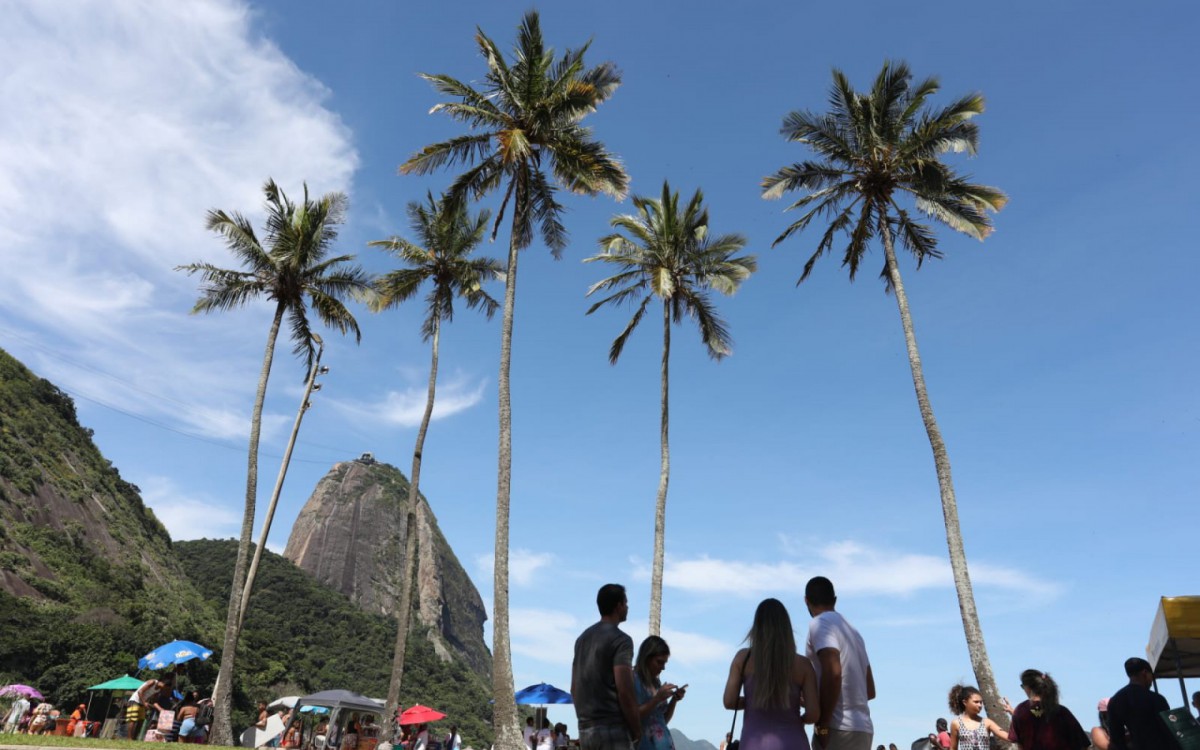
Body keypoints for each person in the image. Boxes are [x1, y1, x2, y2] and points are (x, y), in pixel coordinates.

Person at [723, 598, 820, 750]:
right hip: (794, 742)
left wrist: (753, 700)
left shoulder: (743, 658)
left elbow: (729, 701)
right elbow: (814, 713)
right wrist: (798, 719)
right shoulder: (803, 665)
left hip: (753, 743)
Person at [804, 577, 874, 750]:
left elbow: (834, 672)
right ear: (834, 600)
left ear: (806, 600)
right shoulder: (854, 632)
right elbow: (870, 690)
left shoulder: (820, 624)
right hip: (863, 728)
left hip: (837, 728)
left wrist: (823, 725)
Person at [571, 583, 640, 750]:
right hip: (612, 728)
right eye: (626, 603)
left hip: (586, 729)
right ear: (618, 606)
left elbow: (574, 687)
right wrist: (637, 729)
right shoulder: (621, 640)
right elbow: (625, 690)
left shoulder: (582, 639)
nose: (628, 607)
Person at [1006, 669, 1088, 750]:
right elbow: (1083, 743)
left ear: (1027, 687)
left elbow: (1019, 744)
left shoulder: (1020, 710)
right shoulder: (1062, 712)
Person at [633, 636, 686, 750]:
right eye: (659, 662)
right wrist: (657, 699)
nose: (663, 668)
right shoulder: (633, 679)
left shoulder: (656, 683)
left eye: (664, 663)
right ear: (647, 658)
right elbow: (633, 715)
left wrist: (674, 700)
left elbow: (662, 720)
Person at [1107, 657, 1172, 750]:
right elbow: (1169, 731)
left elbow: (1116, 739)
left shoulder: (1115, 701)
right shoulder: (1155, 698)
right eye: (1151, 676)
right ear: (1144, 673)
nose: (1151, 681)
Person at [947, 684, 1009, 750]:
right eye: (976, 702)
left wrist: (1013, 713)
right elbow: (953, 748)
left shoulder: (987, 722)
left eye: (981, 702)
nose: (979, 705)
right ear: (965, 702)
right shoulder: (956, 723)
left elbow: (1010, 737)